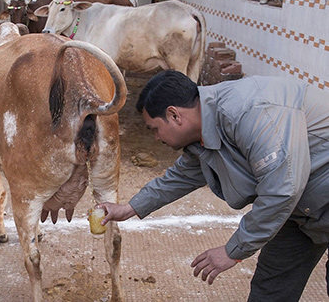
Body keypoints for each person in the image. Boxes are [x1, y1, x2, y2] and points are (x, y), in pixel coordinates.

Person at [98, 70, 329, 301]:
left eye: (154, 129)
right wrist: (130, 208)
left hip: (311, 197)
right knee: (272, 285)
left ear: (174, 115)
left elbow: (282, 189)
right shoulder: (203, 133)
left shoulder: (250, 111)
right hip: (301, 211)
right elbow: (180, 176)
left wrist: (233, 250)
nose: (156, 138)